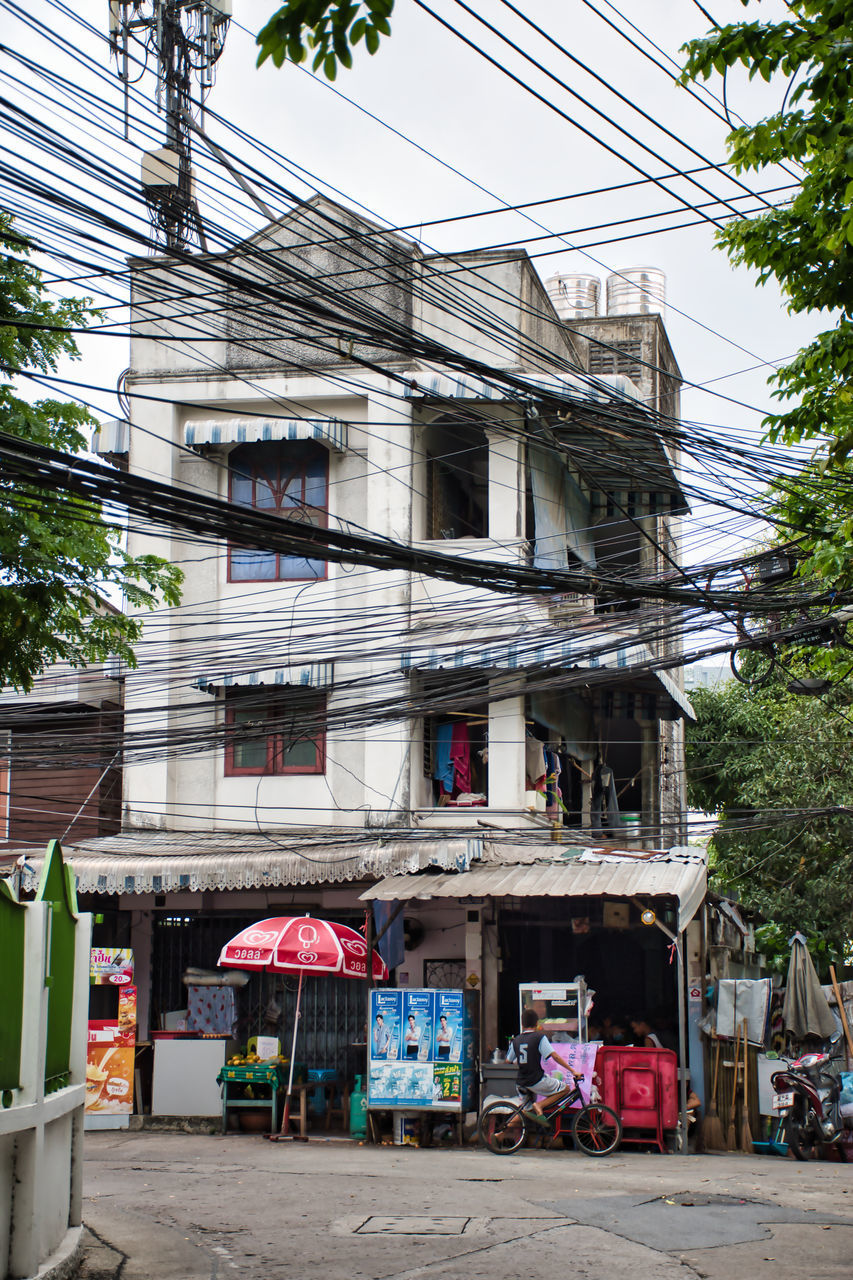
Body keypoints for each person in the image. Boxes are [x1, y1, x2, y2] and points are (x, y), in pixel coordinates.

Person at [506, 1007, 583, 1124]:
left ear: (522, 1023)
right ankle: (540, 1105)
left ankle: (500, 1135)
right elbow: (555, 1056)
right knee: (565, 1089)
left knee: (526, 1113)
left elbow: (508, 1060)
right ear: (537, 1023)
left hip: (521, 1082)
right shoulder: (539, 1038)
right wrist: (573, 1071)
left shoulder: (516, 1040)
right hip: (536, 1080)